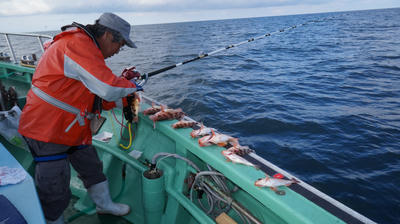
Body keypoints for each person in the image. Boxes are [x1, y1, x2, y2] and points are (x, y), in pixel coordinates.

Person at [18, 13, 141, 224]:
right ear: (109, 35)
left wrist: (126, 102)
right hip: (47, 129)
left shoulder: (87, 49)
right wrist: (133, 86)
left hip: (72, 128)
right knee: (54, 187)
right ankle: (53, 220)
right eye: (119, 45)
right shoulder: (77, 44)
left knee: (92, 167)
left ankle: (105, 206)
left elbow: (90, 93)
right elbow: (108, 87)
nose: (118, 51)